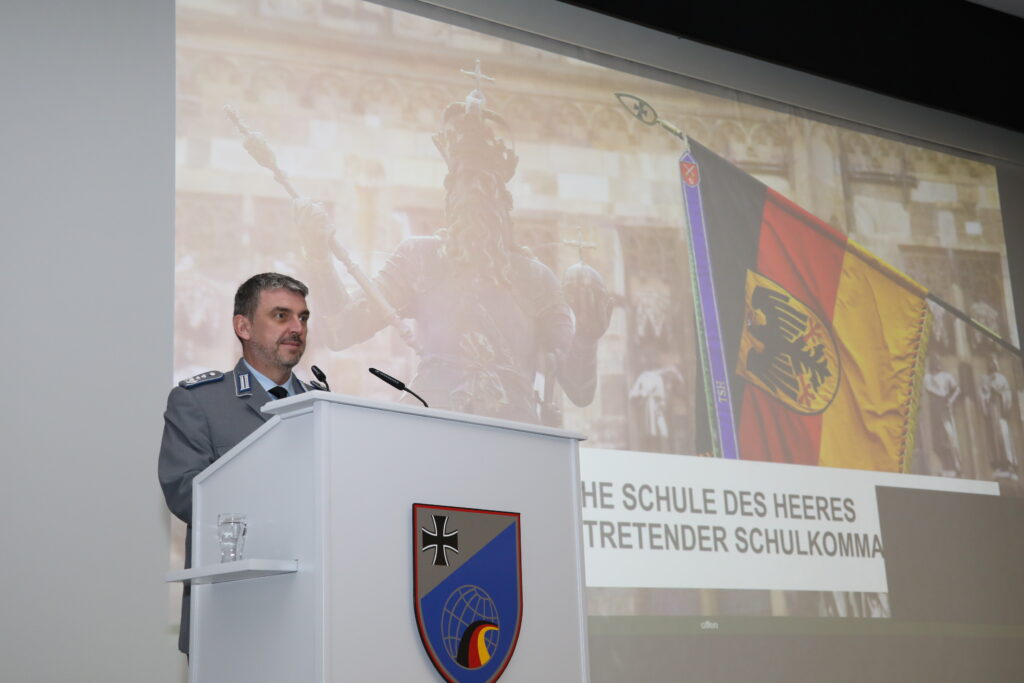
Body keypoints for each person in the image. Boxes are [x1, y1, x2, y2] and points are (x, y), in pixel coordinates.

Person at [297, 80, 611, 425]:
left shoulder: (536, 278)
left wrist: (587, 337)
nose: (474, 193)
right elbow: (342, 329)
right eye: (464, 182)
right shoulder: (419, 258)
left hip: (513, 438)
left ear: (502, 199)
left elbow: (579, 390)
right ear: (450, 194)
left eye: (484, 184)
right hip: (430, 429)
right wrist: (318, 258)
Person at [158, 272, 312, 655]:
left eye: (303, 318)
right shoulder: (200, 401)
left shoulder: (323, 406)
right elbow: (185, 493)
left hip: (313, 610)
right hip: (230, 613)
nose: (297, 328)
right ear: (242, 326)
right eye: (281, 316)